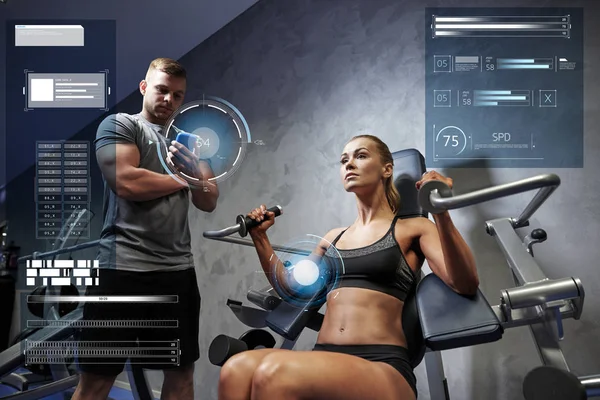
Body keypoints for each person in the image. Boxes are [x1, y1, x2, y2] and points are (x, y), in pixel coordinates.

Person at [218, 134, 479, 400]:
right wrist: (260, 237)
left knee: (273, 374)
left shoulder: (413, 228)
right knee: (236, 370)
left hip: (381, 365)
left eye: (361, 156)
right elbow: (291, 288)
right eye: (344, 160)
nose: (349, 164)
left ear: (387, 169)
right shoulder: (333, 237)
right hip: (325, 359)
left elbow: (464, 282)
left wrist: (440, 211)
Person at [72, 58, 219, 400]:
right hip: (123, 270)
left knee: (181, 375)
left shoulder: (189, 143)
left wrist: (197, 177)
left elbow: (209, 199)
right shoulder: (120, 125)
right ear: (144, 88)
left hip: (177, 272)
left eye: (177, 95)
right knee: (96, 381)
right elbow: (127, 181)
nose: (169, 100)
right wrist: (188, 177)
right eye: (162, 90)